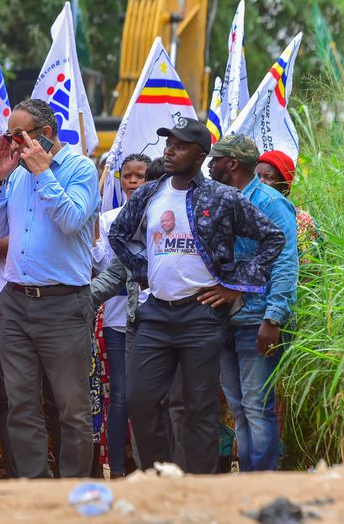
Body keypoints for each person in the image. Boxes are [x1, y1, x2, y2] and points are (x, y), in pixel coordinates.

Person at [108, 118, 285, 474]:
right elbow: (118, 234)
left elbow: (273, 237)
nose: (170, 151)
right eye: (168, 144)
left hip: (200, 316)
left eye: (180, 146)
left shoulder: (222, 197)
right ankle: (162, 477)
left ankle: (199, 488)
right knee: (139, 401)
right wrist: (145, 272)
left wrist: (236, 285)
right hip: (156, 313)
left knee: (199, 410)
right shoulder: (149, 193)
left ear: (200, 155)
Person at [0, 98, 99, 479]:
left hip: (63, 304)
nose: (11, 144)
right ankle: (35, 490)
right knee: (20, 404)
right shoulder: (17, 174)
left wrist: (43, 173)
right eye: (8, 136)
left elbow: (71, 220)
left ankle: (72, 491)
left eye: (17, 136)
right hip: (15, 301)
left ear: (46, 133)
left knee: (71, 407)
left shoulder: (80, 169)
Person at [208, 135, 299, 472]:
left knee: (257, 406)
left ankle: (261, 483)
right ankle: (250, 478)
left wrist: (273, 318)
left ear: (231, 164)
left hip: (256, 318)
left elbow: (286, 261)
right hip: (222, 319)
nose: (210, 164)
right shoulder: (218, 199)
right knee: (239, 407)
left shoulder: (271, 203)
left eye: (216, 158)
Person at [90, 153, 150, 478]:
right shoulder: (108, 219)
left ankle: (148, 465)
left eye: (140, 176)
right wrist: (92, 232)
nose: (133, 181)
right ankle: (115, 468)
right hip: (117, 318)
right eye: (127, 176)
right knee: (120, 395)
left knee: (148, 396)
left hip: (154, 319)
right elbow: (104, 268)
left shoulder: (162, 217)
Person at [255, 149, 320, 258]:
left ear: (284, 187)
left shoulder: (301, 221)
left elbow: (312, 263)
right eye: (257, 177)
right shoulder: (244, 210)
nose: (260, 182)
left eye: (268, 178)